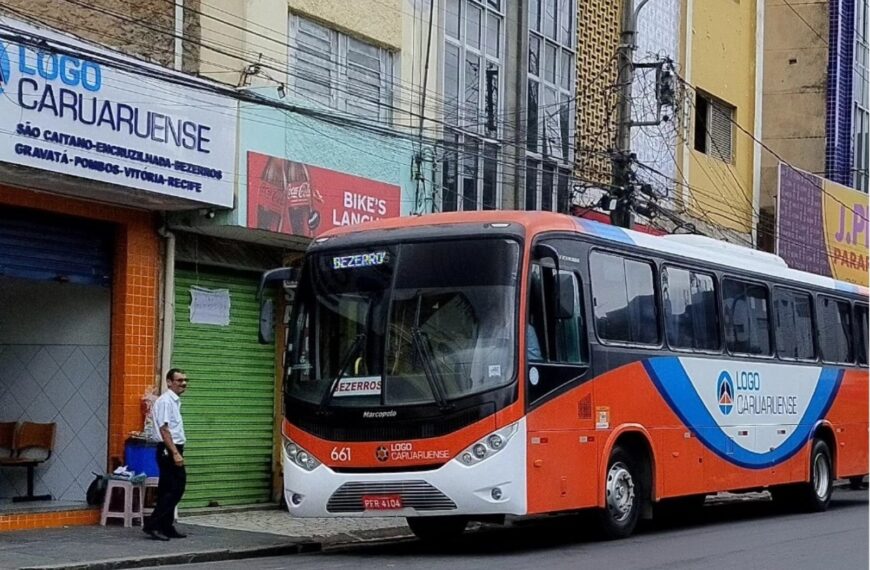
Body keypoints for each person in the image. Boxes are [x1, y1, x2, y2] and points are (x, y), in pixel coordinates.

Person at [143, 368, 189, 541]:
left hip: (173, 447)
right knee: (176, 487)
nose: (183, 383)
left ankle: (166, 526)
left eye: (185, 380)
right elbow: (164, 429)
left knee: (167, 489)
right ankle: (152, 524)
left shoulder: (174, 401)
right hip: (168, 448)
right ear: (169, 382)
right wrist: (175, 453)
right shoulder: (165, 401)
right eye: (179, 380)